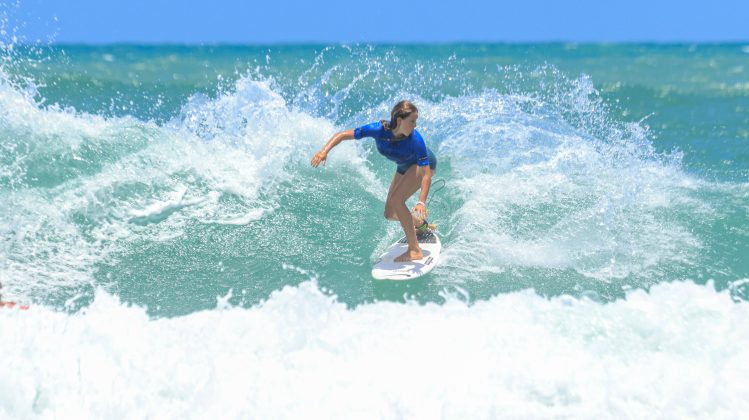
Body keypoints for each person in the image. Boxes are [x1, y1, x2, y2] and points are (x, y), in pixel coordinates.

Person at [311, 100, 436, 262]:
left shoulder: (416, 140)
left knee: (398, 200)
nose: (415, 125)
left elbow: (426, 174)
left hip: (423, 165)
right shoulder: (378, 130)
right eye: (412, 121)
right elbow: (342, 135)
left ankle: (414, 250)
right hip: (404, 166)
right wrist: (323, 151)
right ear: (399, 120)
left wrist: (421, 202)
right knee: (390, 213)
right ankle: (420, 225)